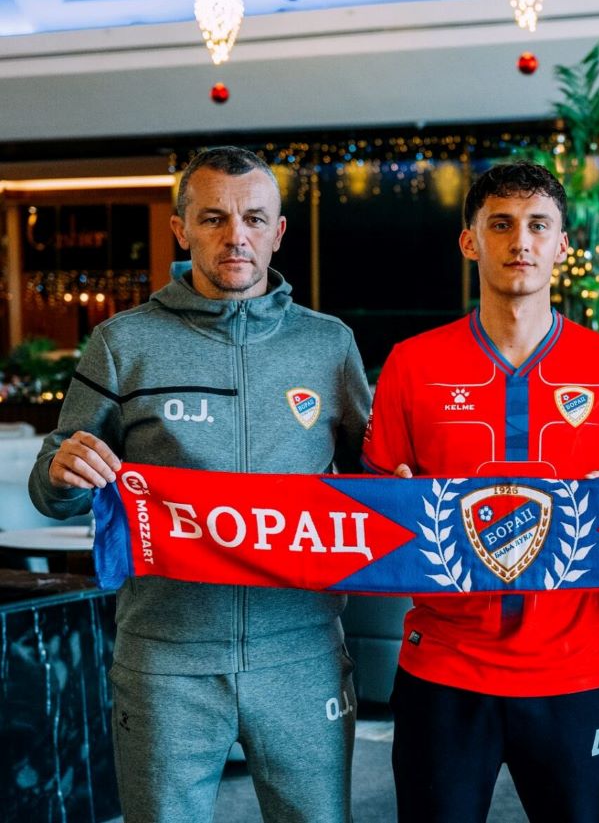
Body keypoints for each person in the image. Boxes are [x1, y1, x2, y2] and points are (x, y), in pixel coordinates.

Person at [29, 146, 371, 823]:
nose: (235, 235)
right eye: (214, 218)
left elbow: (372, 482)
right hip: (164, 662)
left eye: (254, 218)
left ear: (278, 231)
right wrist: (62, 470)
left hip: (302, 654)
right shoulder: (122, 343)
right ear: (181, 229)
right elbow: (55, 482)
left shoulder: (328, 345)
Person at [361, 161, 599, 822]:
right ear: (469, 241)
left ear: (562, 244)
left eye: (537, 225)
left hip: (574, 671)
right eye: (500, 224)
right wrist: (393, 504)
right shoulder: (412, 364)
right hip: (444, 671)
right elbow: (373, 513)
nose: (520, 241)